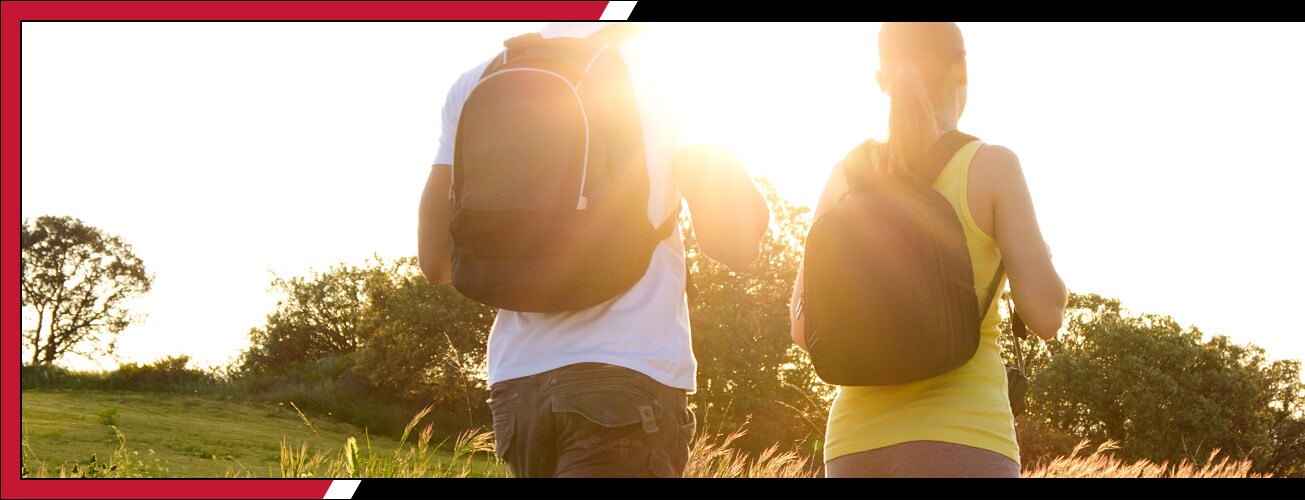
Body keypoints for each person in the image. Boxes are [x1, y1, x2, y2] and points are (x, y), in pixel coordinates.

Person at [418, 21, 769, 478]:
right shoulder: (664, 75)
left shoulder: (480, 78)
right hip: (624, 376)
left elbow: (435, 261)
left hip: (519, 384)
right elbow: (733, 245)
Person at [788, 22, 1068, 478]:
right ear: (961, 68)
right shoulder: (993, 167)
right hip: (965, 438)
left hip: (853, 448)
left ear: (882, 80)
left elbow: (803, 329)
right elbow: (1046, 315)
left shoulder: (846, 175)